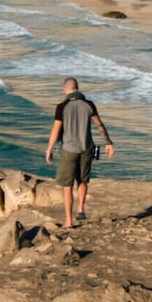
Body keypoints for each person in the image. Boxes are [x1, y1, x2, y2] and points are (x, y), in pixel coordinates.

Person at [45, 77, 114, 229]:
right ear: (77, 88)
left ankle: (69, 221)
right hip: (86, 149)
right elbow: (99, 125)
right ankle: (81, 209)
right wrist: (108, 142)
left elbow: (56, 130)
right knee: (82, 180)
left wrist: (49, 149)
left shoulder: (62, 107)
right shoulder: (89, 105)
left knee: (67, 186)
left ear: (65, 89)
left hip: (69, 150)